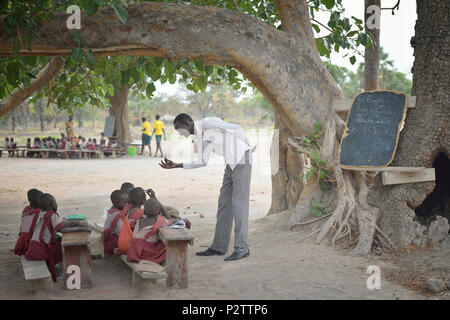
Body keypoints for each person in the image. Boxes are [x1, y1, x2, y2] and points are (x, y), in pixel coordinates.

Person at [160, 113, 253, 261]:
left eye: (180, 131)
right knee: (224, 203)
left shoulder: (208, 123)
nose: (181, 134)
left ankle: (242, 248)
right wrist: (177, 165)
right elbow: (202, 161)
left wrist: (246, 146)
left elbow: (235, 128)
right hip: (230, 163)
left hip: (242, 158)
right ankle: (219, 246)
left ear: (187, 124)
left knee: (238, 205)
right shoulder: (199, 138)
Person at [25, 193, 90, 282]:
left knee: (58, 240)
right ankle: (62, 270)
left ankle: (58, 268)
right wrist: (79, 228)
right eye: (55, 202)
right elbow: (62, 229)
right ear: (52, 204)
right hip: (42, 249)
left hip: (34, 246)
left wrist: (74, 223)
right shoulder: (52, 215)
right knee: (60, 246)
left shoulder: (42, 213)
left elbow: (60, 224)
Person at [126, 198, 172, 264]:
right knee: (167, 246)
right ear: (159, 212)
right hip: (144, 252)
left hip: (133, 250)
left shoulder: (139, 221)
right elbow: (170, 221)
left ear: (144, 211)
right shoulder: (160, 221)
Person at [14, 189, 42, 256]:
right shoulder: (39, 212)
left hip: (22, 243)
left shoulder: (26, 210)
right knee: (56, 241)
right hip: (31, 243)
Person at [102, 190, 129, 256]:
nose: (126, 204)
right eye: (124, 202)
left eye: (127, 202)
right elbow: (120, 232)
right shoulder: (117, 215)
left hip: (108, 237)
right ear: (116, 203)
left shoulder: (112, 211)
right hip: (113, 239)